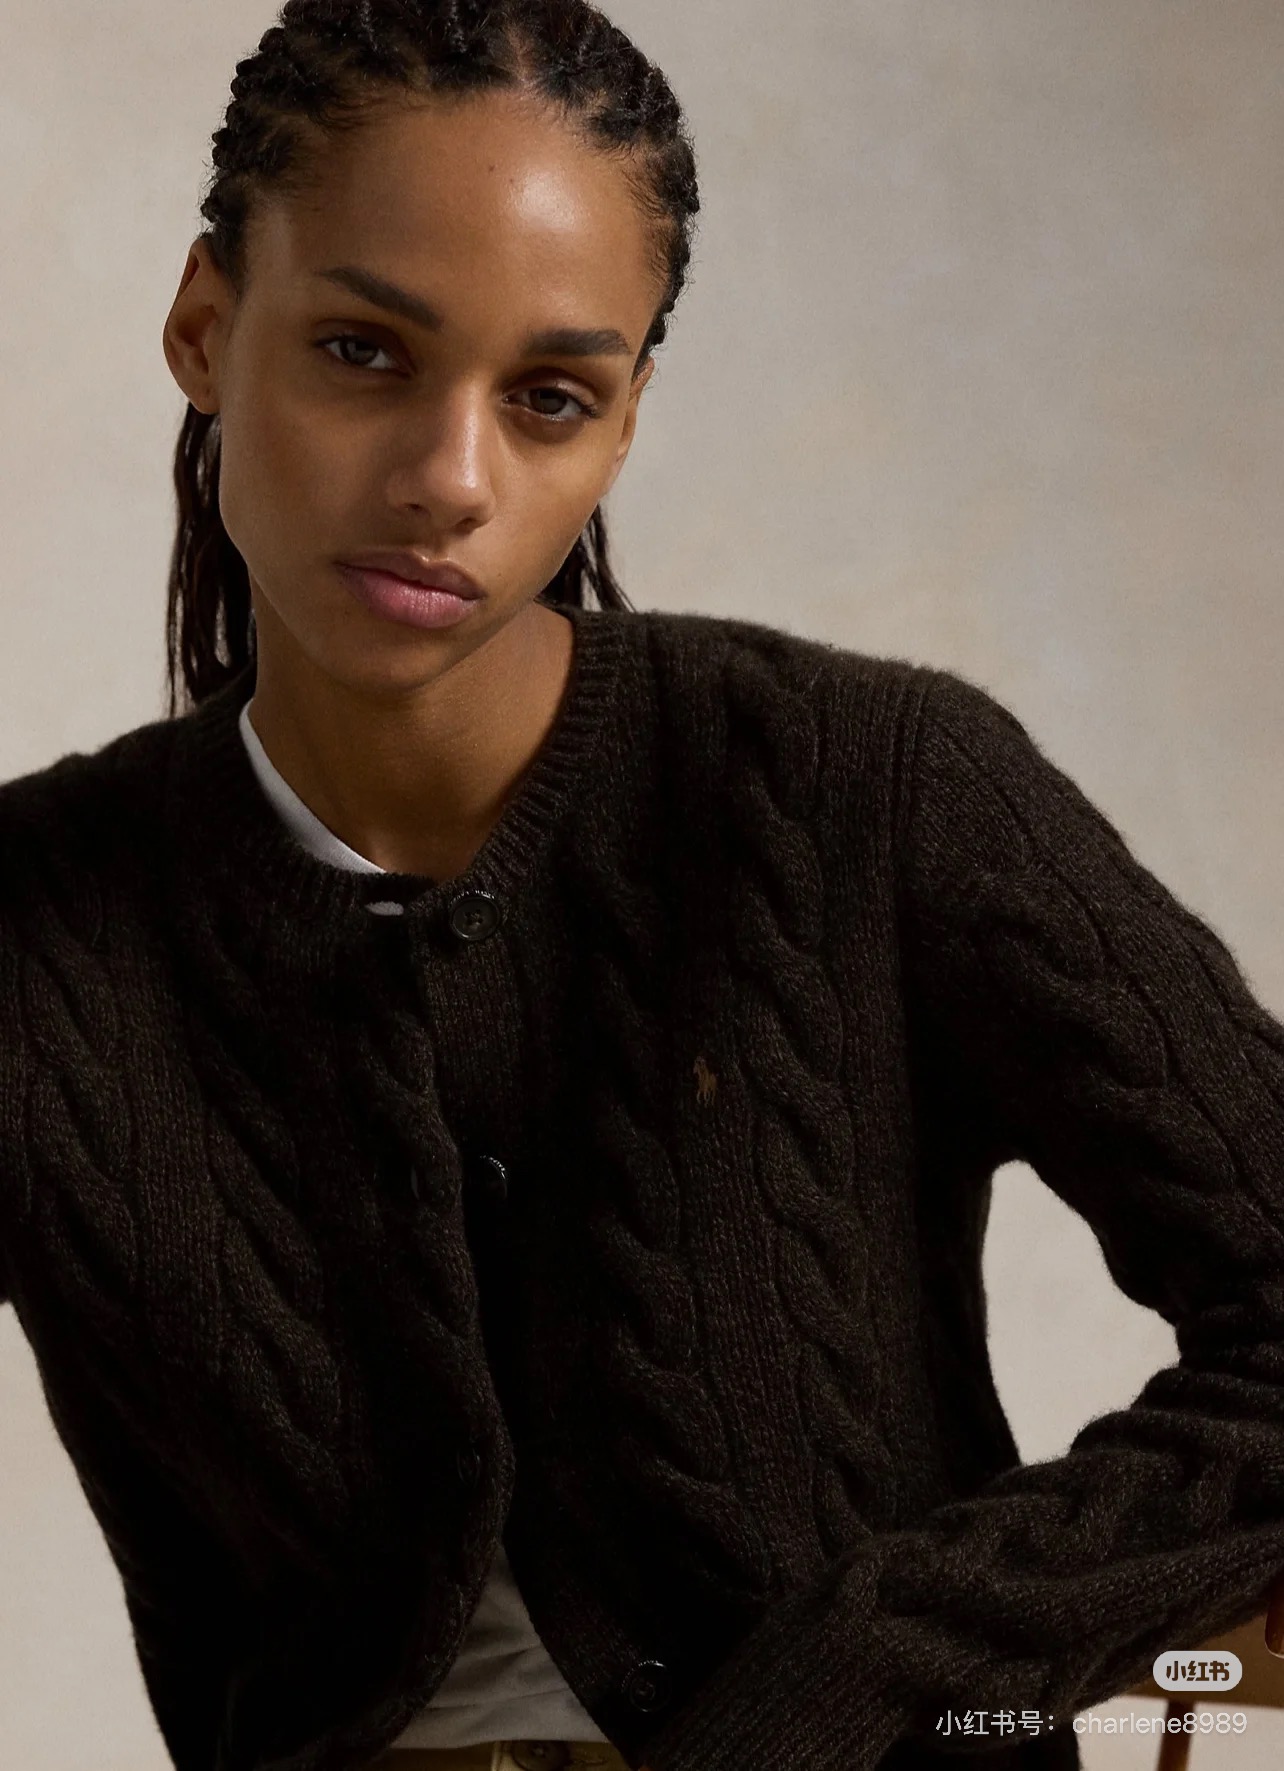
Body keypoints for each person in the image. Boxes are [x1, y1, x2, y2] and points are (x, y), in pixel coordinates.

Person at [4, 3, 1284, 1770]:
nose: (451, 480)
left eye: (550, 399)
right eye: (364, 351)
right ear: (206, 329)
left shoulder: (867, 786)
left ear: (621, 429)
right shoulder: (35, 930)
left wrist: (893, 1657)